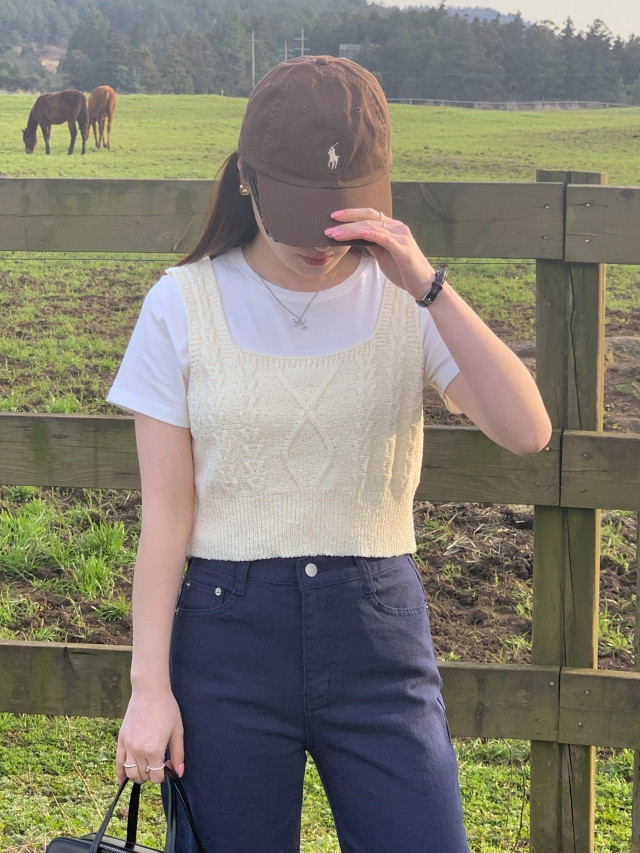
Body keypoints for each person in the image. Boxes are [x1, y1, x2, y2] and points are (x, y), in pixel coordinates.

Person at [108, 55, 551, 853]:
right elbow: (166, 519)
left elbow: (528, 430)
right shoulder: (181, 304)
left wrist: (428, 285)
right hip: (227, 642)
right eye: (302, 216)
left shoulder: (405, 300)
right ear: (247, 181)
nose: (323, 244)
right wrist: (149, 687)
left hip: (378, 637)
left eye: (341, 215)